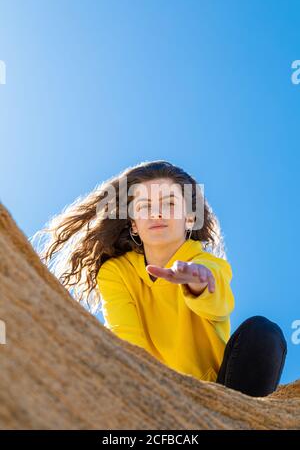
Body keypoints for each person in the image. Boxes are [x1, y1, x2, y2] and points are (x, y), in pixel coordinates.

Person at [32, 160, 287, 397]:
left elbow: (219, 303)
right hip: (158, 392)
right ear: (133, 224)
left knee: (264, 333)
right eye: (144, 207)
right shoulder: (116, 272)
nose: (157, 214)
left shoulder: (205, 263)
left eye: (170, 204)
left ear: (190, 217)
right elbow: (127, 339)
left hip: (221, 390)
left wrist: (197, 283)